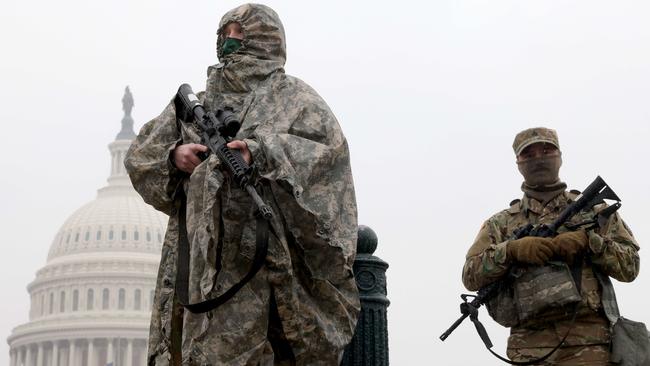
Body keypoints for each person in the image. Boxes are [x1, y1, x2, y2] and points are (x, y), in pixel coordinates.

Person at [125, 4, 359, 365]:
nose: (229, 41)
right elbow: (141, 157)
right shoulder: (198, 103)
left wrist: (260, 152)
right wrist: (175, 157)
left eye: (239, 33)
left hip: (262, 265)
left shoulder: (295, 99)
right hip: (196, 265)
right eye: (225, 33)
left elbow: (327, 156)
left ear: (265, 39)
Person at [462, 127, 640, 365]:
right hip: (528, 347)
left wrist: (590, 242)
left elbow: (630, 267)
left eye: (546, 150)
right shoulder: (500, 223)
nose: (539, 158)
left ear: (559, 156)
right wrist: (511, 250)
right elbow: (470, 275)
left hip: (591, 344)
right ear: (518, 163)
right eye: (529, 154)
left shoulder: (593, 211)